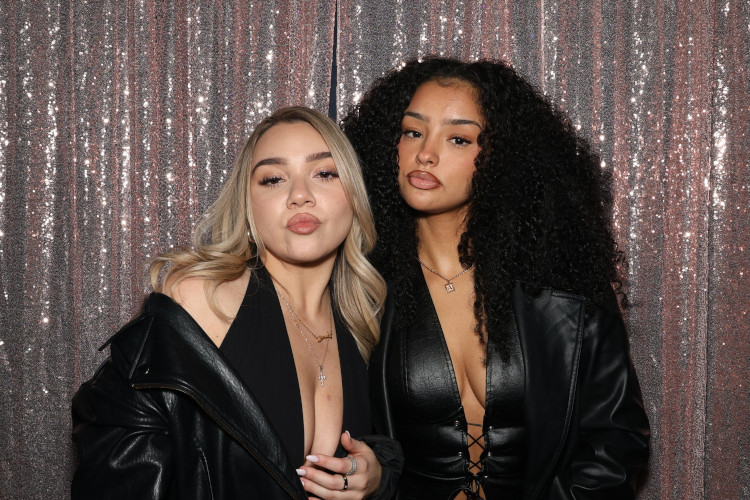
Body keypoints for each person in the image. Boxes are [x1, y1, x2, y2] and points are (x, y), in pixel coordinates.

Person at [341, 57, 650, 499]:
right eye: (412, 132)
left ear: (500, 157)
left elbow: (616, 442)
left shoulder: (562, 288)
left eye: (459, 139)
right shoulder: (358, 284)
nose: (426, 153)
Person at [72, 106, 402, 499]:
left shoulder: (362, 318)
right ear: (248, 206)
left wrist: (376, 475)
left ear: (354, 196)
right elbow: (117, 461)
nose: (300, 195)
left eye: (325, 173)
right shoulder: (206, 298)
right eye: (273, 179)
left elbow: (396, 444)